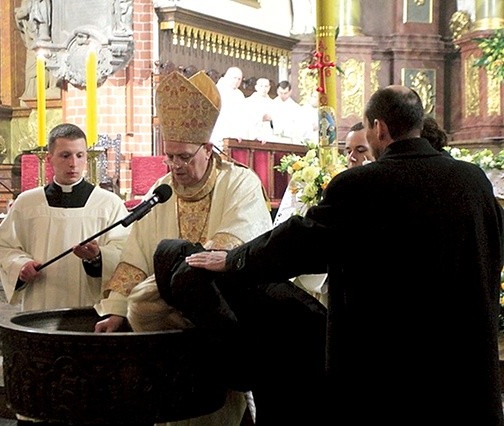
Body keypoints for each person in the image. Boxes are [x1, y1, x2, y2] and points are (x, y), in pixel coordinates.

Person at [186, 85, 504, 425]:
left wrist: (233, 259)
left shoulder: (361, 185)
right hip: (463, 366)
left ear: (379, 128)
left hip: (391, 370)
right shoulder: (473, 181)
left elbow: (300, 242)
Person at [93, 70, 274, 425]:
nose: (175, 166)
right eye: (170, 157)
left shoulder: (240, 183)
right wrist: (116, 308)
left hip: (218, 326)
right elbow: (137, 255)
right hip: (168, 345)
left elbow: (236, 246)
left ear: (208, 149)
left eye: (185, 157)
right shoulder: (161, 190)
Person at [0, 123, 129, 312]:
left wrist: (98, 258)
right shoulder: (27, 203)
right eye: (65, 156)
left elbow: (126, 251)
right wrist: (20, 265)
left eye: (79, 155)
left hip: (90, 309)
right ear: (50, 159)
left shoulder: (108, 204)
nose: (73, 163)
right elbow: (3, 246)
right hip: (40, 303)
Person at [209, 66, 247, 150]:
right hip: (219, 130)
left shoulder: (239, 94)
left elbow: (242, 115)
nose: (236, 81)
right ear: (227, 77)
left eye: (239, 79)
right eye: (234, 78)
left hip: (234, 134)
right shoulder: (218, 90)